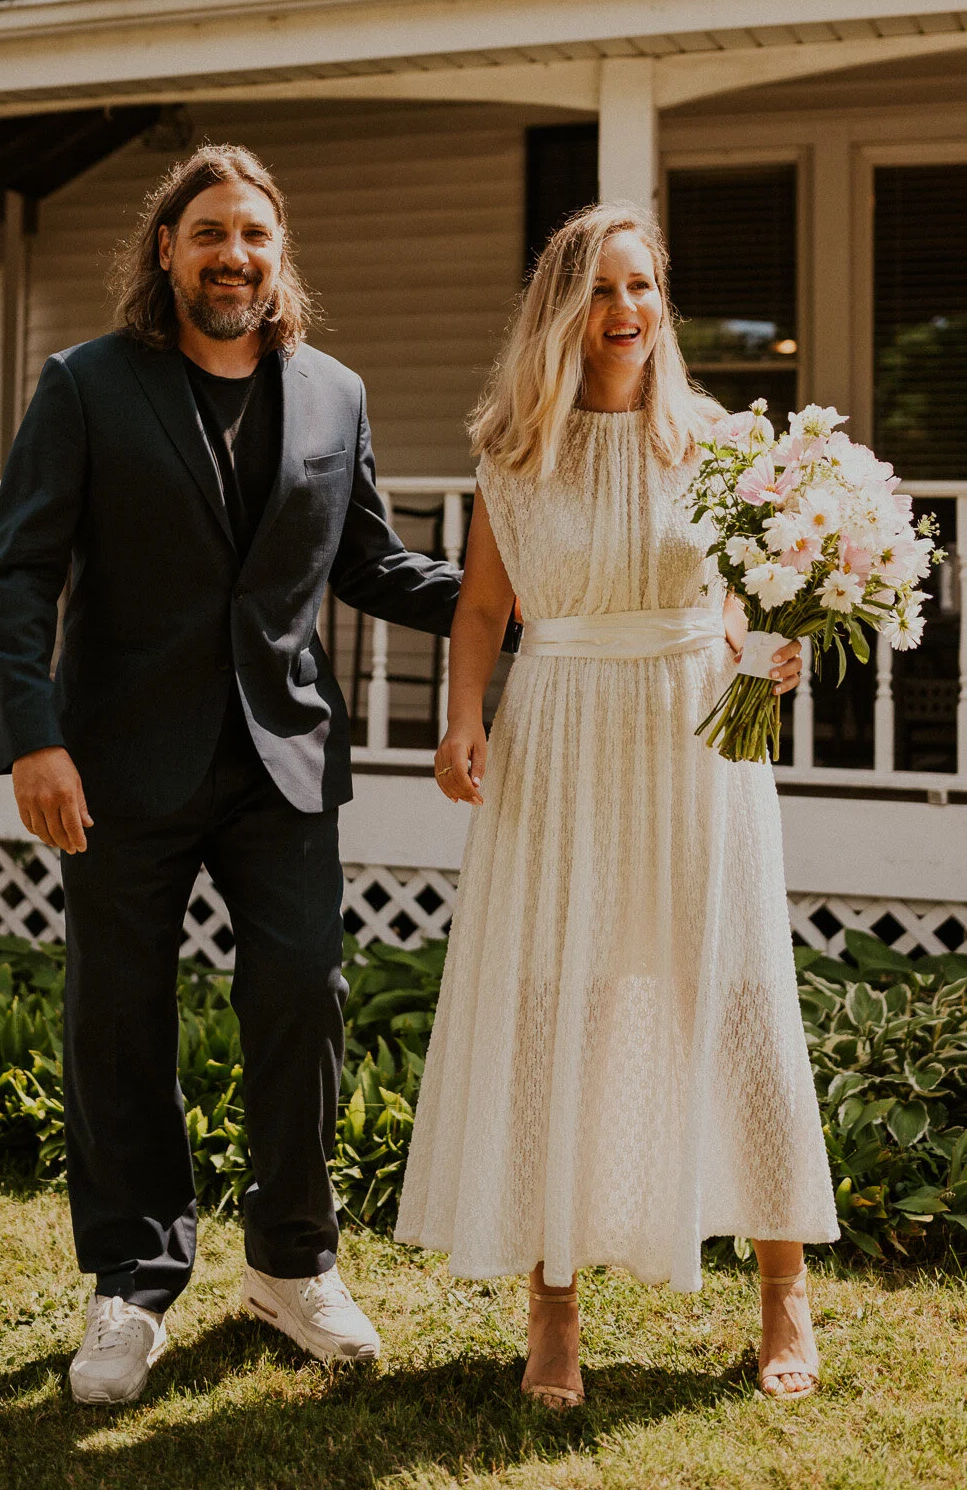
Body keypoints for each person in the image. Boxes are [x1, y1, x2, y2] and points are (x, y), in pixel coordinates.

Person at [0, 142, 463, 1406]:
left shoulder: (335, 394)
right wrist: (33, 735)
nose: (232, 255)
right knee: (117, 1017)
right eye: (207, 234)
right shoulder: (87, 385)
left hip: (283, 760)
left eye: (252, 234)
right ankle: (132, 1280)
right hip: (119, 761)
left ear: (275, 253)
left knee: (302, 995)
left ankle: (292, 1263)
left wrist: (530, 607)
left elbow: (372, 564)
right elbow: (19, 568)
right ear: (166, 251)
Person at [396, 203, 839, 1408]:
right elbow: (482, 606)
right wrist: (463, 713)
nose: (627, 310)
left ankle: (781, 1285)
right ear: (561, 307)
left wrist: (770, 653)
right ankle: (552, 1305)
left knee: (732, 988)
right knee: (561, 998)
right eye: (601, 289)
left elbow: (751, 596)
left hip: (697, 734)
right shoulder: (513, 448)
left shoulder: (710, 438)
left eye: (642, 286)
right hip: (563, 731)